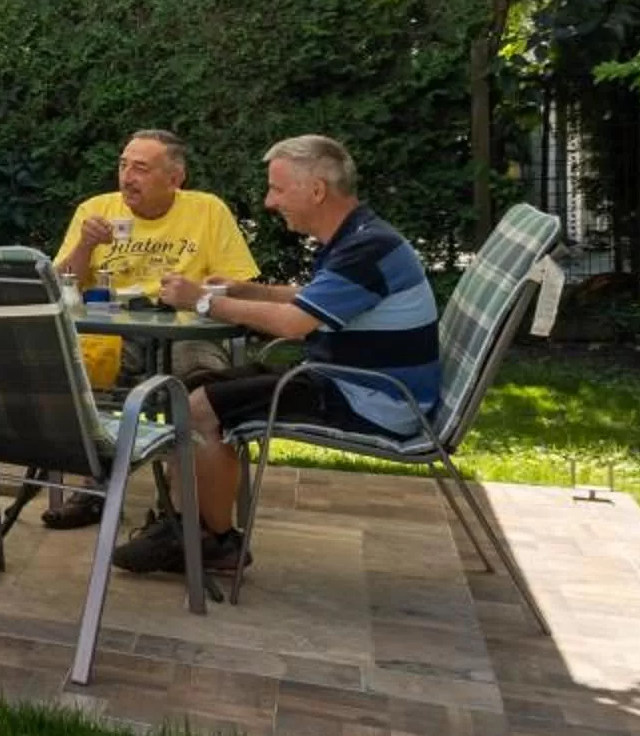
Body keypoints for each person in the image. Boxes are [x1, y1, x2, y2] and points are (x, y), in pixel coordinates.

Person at [121, 133, 441, 578]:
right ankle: (185, 527)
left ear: (316, 191)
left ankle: (211, 541)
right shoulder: (361, 238)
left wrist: (202, 301)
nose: (270, 202)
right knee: (191, 392)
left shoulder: (365, 250)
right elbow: (311, 298)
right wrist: (245, 290)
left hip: (371, 398)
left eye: (277, 189)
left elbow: (293, 323)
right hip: (355, 381)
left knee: (198, 409)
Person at [40, 129, 259, 527]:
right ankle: (94, 489)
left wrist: (196, 294)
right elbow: (56, 284)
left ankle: (179, 512)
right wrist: (86, 246)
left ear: (175, 179)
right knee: (75, 375)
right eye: (123, 165)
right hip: (111, 334)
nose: (127, 177)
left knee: (199, 387)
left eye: (140, 168)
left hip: (185, 330)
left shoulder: (207, 211)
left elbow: (238, 286)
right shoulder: (97, 209)